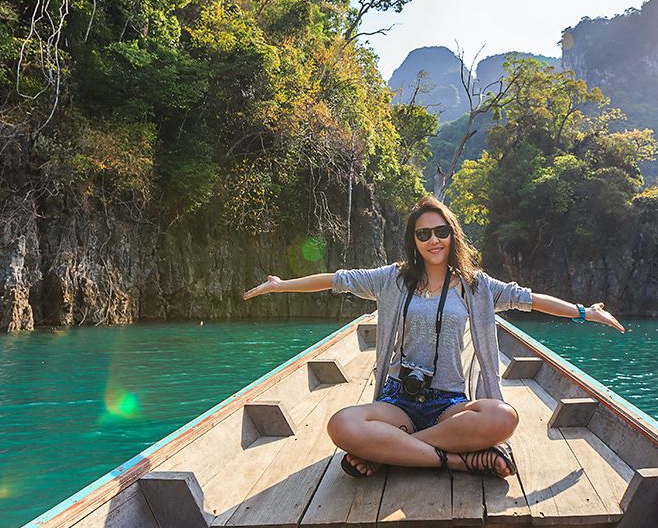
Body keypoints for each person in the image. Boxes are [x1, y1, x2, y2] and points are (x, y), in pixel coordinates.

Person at [243, 195, 625, 479]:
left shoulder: (478, 287)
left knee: (502, 416)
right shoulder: (392, 278)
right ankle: (456, 460)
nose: (433, 240)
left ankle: (392, 452)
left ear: (452, 234)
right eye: (423, 234)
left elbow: (530, 299)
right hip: (399, 401)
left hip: (448, 404)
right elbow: (334, 279)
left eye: (441, 231)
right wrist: (279, 286)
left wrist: (583, 312)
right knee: (341, 425)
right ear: (414, 240)